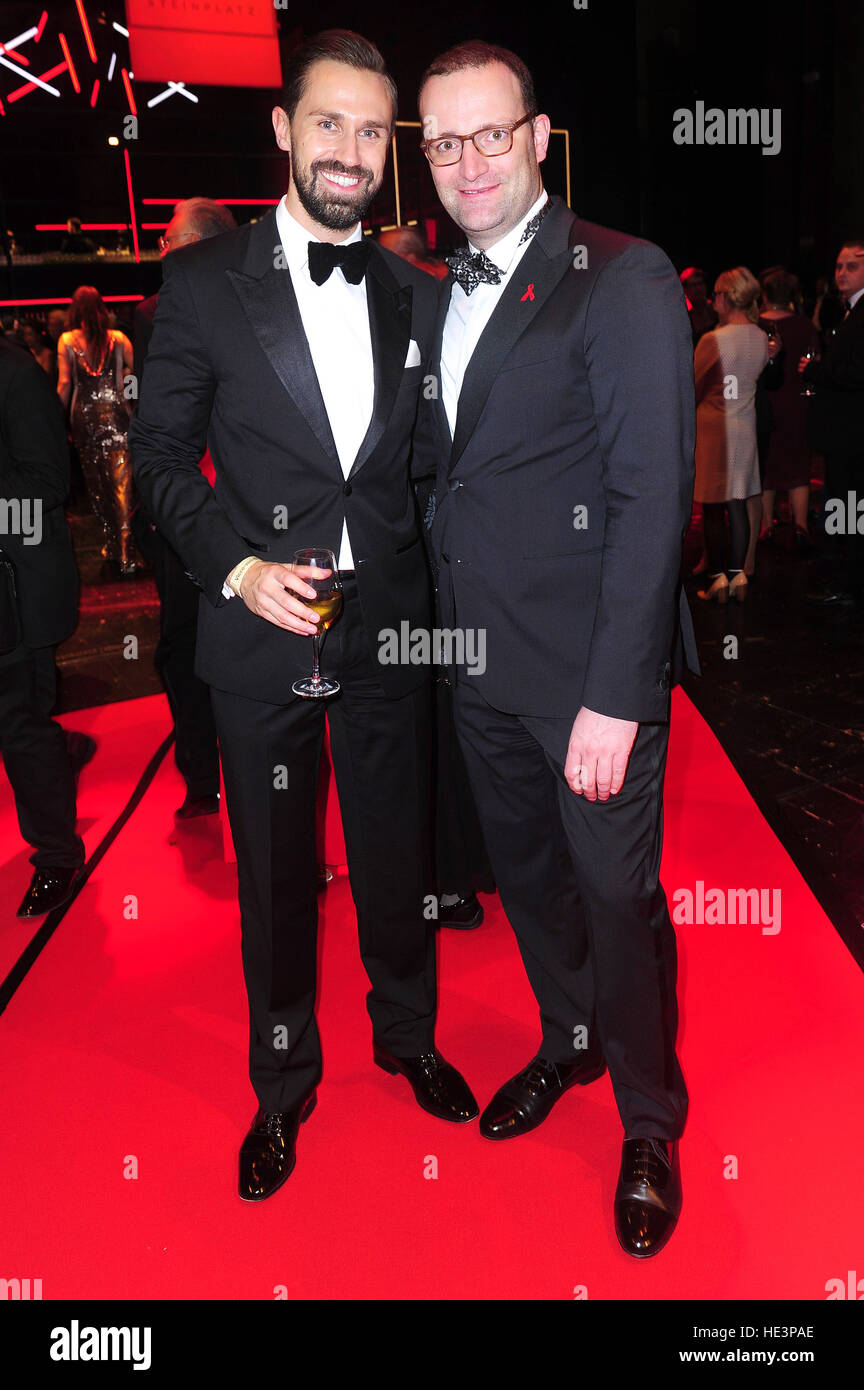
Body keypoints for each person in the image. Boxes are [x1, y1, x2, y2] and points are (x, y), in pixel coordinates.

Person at [130, 29, 477, 1204]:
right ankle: (282, 1087)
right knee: (277, 871)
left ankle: (409, 1033)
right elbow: (162, 460)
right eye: (328, 122)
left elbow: (431, 468)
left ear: (392, 150)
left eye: (372, 130)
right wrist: (234, 568)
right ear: (284, 130)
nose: (349, 149)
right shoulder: (197, 282)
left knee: (396, 848)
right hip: (256, 631)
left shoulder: (412, 290)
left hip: (385, 626)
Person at [417, 40, 697, 1257]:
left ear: (539, 139)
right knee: (528, 884)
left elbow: (651, 497)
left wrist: (615, 696)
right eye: (442, 142)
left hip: (589, 680)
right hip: (477, 666)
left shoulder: (621, 277)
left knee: (617, 896)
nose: (468, 161)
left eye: (490, 133)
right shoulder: (438, 289)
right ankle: (567, 1038)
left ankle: (651, 1119)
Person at [132, 199, 237, 819]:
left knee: (185, 644)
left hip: (194, 511)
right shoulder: (256, 298)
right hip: (219, 508)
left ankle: (204, 779)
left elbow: (160, 436)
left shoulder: (158, 310)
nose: (161, 252)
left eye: (168, 240)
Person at [0, 335, 94, 917]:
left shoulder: (14, 374)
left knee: (18, 723)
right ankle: (63, 748)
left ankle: (58, 854)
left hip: (18, 593)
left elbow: (47, 485)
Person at [693, 266, 769, 602]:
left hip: (715, 427)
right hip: (745, 426)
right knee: (737, 504)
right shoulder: (759, 336)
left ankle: (716, 579)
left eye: (717, 295)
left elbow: (692, 384)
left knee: (712, 506)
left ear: (726, 297)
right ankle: (738, 576)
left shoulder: (714, 340)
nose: (713, 301)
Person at [800, 238, 864, 608]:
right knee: (845, 508)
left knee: (849, 509)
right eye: (838, 266)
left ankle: (849, 583)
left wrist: (817, 371)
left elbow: (859, 372)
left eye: (850, 266)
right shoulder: (848, 310)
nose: (841, 273)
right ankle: (846, 578)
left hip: (852, 436)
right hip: (845, 435)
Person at [57, 287, 137, 577]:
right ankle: (126, 551)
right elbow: (137, 370)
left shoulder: (66, 341)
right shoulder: (118, 339)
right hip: (117, 415)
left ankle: (112, 546)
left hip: (85, 418)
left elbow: (66, 384)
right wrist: (130, 396)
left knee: (98, 486)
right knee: (122, 484)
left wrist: (55, 417)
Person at [758, 268, 819, 551]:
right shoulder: (806, 326)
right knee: (797, 465)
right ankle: (801, 526)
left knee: (766, 466)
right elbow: (813, 363)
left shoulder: (755, 325)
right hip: (797, 402)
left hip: (765, 404)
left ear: (765, 295)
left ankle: (766, 525)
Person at [680, 265, 718, 344]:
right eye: (693, 285)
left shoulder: (717, 309)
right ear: (685, 290)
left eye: (700, 283)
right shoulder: (686, 319)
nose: (698, 288)